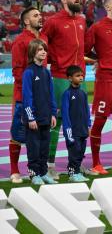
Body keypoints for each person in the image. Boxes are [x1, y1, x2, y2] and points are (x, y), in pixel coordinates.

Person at [42, 0, 86, 179]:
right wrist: (48, 63)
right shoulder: (53, 22)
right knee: (57, 122)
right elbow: (42, 42)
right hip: (60, 77)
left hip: (81, 77)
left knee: (79, 122)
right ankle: (49, 164)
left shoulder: (82, 20)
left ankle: (74, 165)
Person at [85, 0, 112, 174]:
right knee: (100, 120)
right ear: (108, 7)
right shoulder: (98, 27)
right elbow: (85, 49)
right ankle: (96, 163)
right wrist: (99, 59)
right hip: (105, 80)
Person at [9, 6, 48, 183]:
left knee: (39, 136)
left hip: (42, 97)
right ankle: (14, 171)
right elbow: (17, 71)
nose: (40, 17)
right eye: (35, 15)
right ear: (26, 21)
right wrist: (28, 92)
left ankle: (39, 170)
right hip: (23, 96)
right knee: (18, 134)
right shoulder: (20, 41)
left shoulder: (44, 38)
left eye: (40, 15)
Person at [22, 39, 57, 185]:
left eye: (44, 50)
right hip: (33, 119)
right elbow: (27, 96)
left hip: (45, 117)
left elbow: (51, 94)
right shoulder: (29, 72)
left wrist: (53, 113)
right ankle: (34, 174)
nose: (43, 52)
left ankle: (43, 173)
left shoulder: (46, 72)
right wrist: (30, 118)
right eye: (39, 50)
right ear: (32, 52)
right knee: (34, 148)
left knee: (44, 148)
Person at [61, 65, 91, 182]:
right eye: (77, 76)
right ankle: (73, 173)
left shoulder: (83, 93)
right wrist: (68, 131)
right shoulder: (67, 94)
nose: (81, 77)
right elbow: (65, 114)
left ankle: (77, 171)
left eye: (81, 75)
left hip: (83, 129)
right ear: (70, 78)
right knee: (74, 152)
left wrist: (88, 125)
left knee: (81, 152)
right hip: (72, 131)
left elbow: (87, 110)